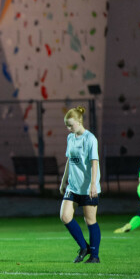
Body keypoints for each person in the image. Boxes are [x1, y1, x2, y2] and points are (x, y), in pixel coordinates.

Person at [59, 106, 102, 263]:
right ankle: (84, 247)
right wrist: (64, 181)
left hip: (87, 187)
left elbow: (94, 163)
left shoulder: (90, 139)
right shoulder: (70, 138)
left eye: (70, 125)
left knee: (90, 221)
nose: (68, 128)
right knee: (65, 216)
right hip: (73, 186)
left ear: (79, 121)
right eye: (67, 126)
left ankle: (95, 256)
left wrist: (93, 185)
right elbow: (69, 160)